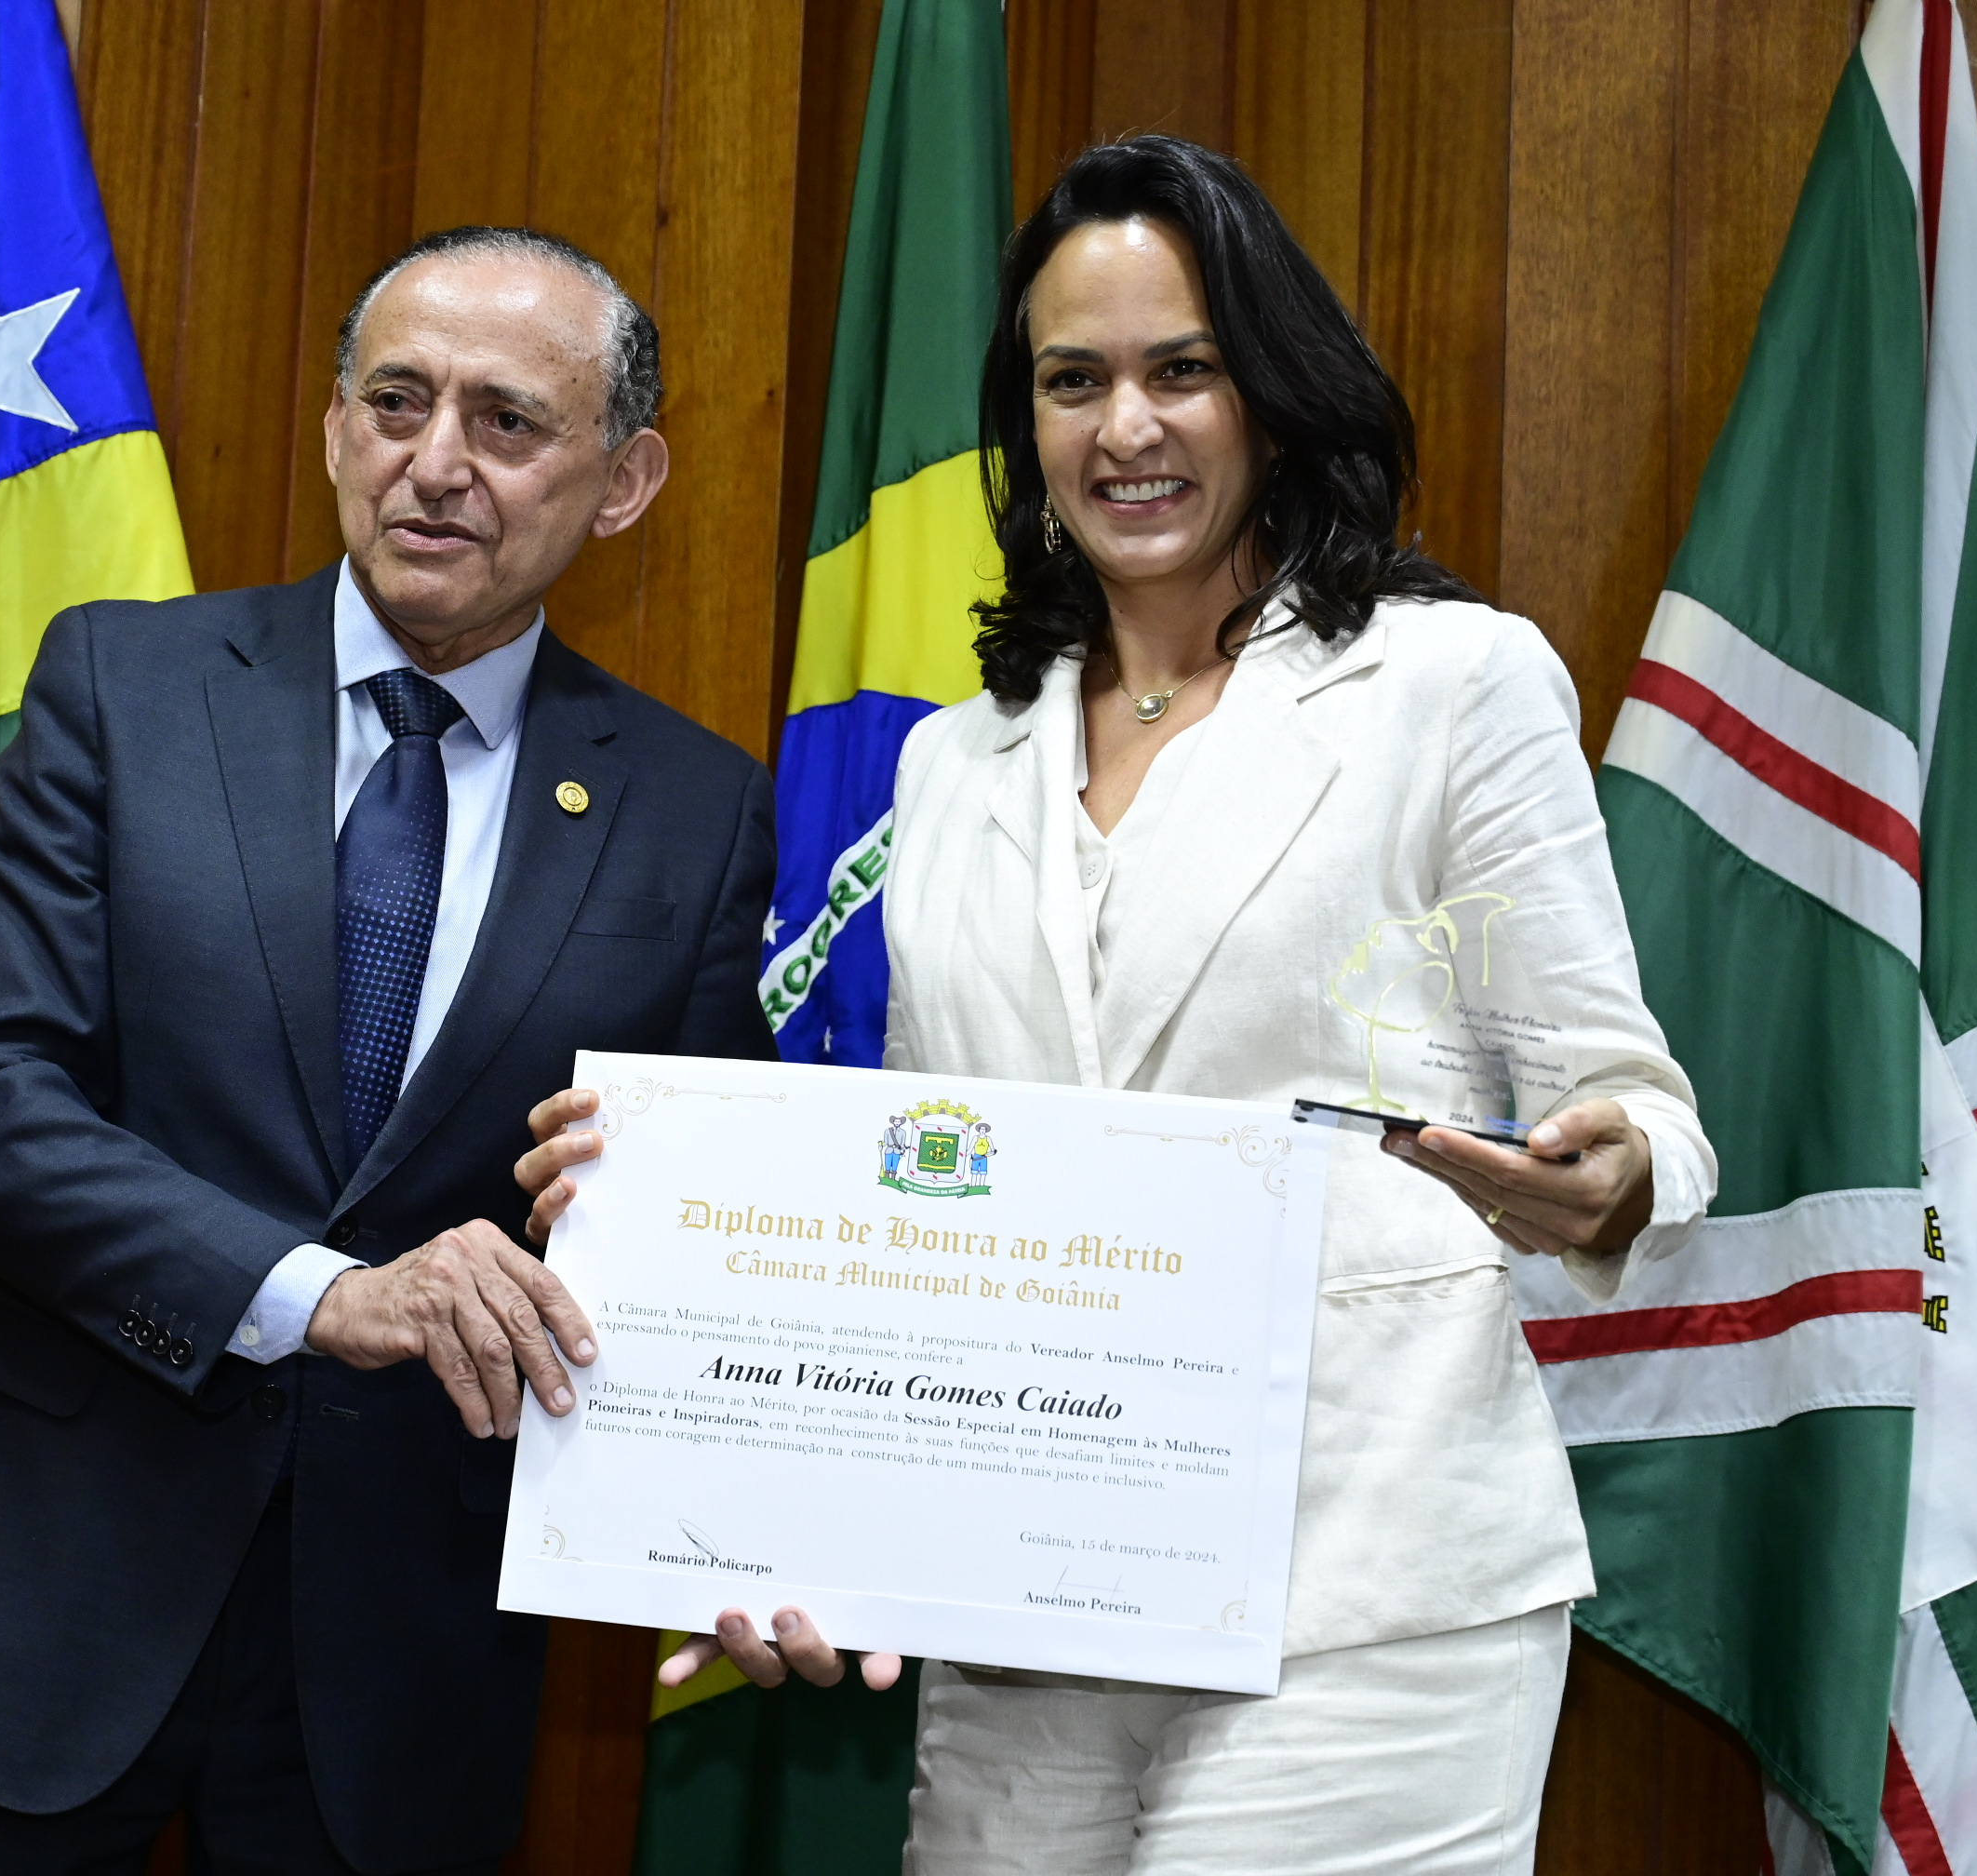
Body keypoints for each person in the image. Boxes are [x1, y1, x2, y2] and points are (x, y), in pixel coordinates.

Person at [526, 138, 1717, 1872]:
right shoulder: (954, 761)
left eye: (1184, 370)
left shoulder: (1454, 682)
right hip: (1027, 1602)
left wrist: (1608, 1176)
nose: (1124, 429)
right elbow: (919, 1199)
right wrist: (704, 1320)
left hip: (1364, 1584)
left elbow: (1636, 1101)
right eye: (1073, 380)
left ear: (1276, 399)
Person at [0, 224, 779, 1876]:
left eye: (507, 421)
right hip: (34, 1602)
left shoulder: (693, 807)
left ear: (624, 481)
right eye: (396, 402)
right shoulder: (126, 685)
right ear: (333, 429)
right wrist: (323, 1295)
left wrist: (763, 1531)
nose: (436, 463)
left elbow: (705, 1234)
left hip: (401, 1666)